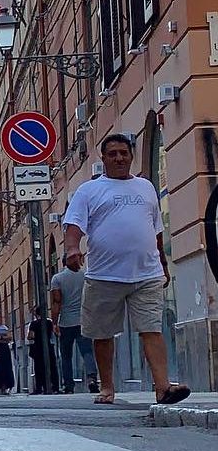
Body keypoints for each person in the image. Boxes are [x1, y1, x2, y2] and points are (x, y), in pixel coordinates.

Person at [62, 132, 191, 406]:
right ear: (104, 158)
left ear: (131, 155)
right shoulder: (90, 190)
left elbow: (156, 230)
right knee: (102, 333)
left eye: (124, 153)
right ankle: (107, 388)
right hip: (103, 276)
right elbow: (73, 226)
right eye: (113, 154)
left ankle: (163, 388)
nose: (119, 158)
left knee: (151, 329)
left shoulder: (145, 187)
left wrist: (163, 263)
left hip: (147, 273)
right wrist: (72, 250)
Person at [50, 250, 99, 393]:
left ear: (63, 262)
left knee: (66, 356)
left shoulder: (57, 279)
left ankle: (68, 385)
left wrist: (54, 322)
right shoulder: (85, 277)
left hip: (66, 322)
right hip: (83, 320)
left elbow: (56, 302)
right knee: (87, 352)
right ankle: (92, 379)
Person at [26, 308, 55, 394]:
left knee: (38, 368)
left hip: (38, 347)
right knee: (52, 367)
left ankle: (39, 387)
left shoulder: (34, 324)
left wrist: (31, 337)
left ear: (36, 314)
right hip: (48, 346)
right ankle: (53, 386)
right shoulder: (49, 322)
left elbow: (30, 336)